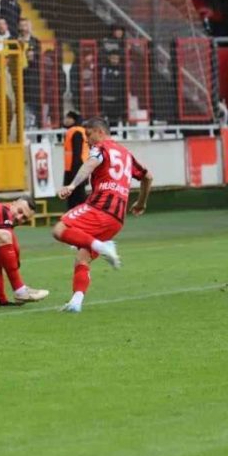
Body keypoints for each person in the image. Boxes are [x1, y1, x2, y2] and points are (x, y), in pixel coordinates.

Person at [54, 117, 152, 312]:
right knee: (83, 256)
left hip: (100, 208)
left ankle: (103, 245)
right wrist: (141, 203)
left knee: (59, 229)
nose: (87, 140)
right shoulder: (126, 154)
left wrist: (72, 185)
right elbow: (148, 176)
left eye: (88, 135)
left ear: (100, 132)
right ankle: (76, 302)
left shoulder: (101, 147)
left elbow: (90, 163)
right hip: (117, 219)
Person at [61, 111, 88, 208]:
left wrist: (74, 173)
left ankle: (83, 213)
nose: (65, 120)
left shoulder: (76, 132)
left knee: (78, 196)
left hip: (76, 168)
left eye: (68, 118)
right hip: (74, 168)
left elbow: (77, 154)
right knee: (74, 195)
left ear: (73, 120)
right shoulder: (75, 131)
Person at [99, 48, 124, 127]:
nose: (114, 60)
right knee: (103, 123)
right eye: (113, 58)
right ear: (109, 58)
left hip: (116, 102)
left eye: (116, 58)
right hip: (104, 101)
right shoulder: (104, 68)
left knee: (114, 123)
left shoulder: (121, 70)